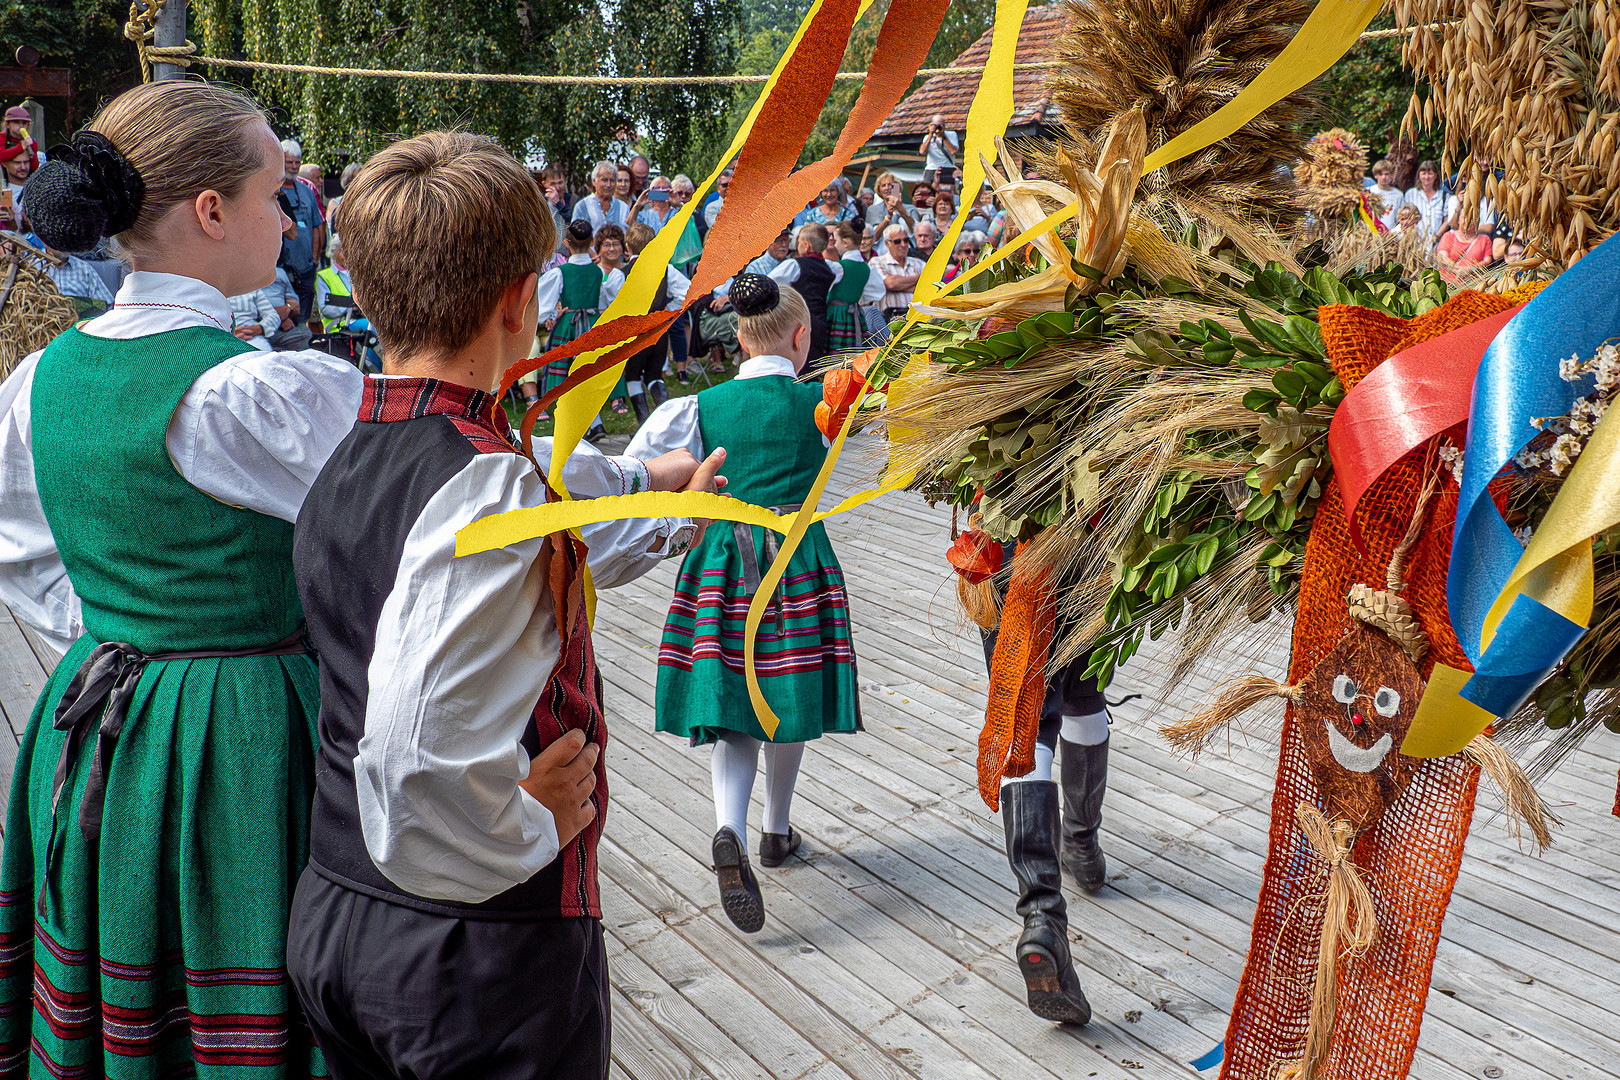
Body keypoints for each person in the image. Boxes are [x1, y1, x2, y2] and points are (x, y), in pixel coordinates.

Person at [286, 129, 722, 1080]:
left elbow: (530, 568)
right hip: (470, 952)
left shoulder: (351, 450)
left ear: (362, 290)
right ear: (523, 302)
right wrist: (528, 820)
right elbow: (413, 759)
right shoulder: (488, 488)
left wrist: (672, 504)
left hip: (337, 909)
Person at [0, 78, 364, 1079]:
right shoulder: (253, 391)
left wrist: (134, 619)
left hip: (100, 715)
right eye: (272, 192)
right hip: (245, 736)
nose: (288, 214)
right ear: (211, 212)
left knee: (131, 978)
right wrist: (653, 496)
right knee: (245, 963)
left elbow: (18, 541)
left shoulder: (43, 376)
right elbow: (445, 507)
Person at [627, 275, 861, 933]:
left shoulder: (698, 409)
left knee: (735, 700)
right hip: (796, 559)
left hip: (722, 560)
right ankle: (776, 831)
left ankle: (730, 825)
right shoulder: (822, 404)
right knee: (789, 691)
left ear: (738, 337)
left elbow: (645, 468)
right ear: (800, 337)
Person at [981, 585, 1105, 1026]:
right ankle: (1082, 845)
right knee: (1086, 694)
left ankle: (1042, 915)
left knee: (1025, 718)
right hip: (1097, 540)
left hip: (1010, 548)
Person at [534, 219, 625, 408]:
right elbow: (607, 299)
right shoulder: (598, 272)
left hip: (568, 323)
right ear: (592, 241)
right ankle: (601, 407)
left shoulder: (561, 272)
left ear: (566, 243)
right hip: (593, 322)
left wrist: (552, 316)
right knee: (594, 364)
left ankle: (574, 408)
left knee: (567, 366)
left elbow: (541, 305)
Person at [621, 222, 692, 421]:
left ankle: (643, 422)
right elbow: (688, 291)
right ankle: (664, 421)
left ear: (628, 247)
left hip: (635, 333)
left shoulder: (623, 273)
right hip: (659, 330)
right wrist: (668, 312)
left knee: (633, 376)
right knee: (655, 375)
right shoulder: (666, 270)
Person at [764, 221, 838, 363]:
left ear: (806, 244)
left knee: (796, 357)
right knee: (814, 360)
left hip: (798, 319)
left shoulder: (794, 265)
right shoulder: (831, 268)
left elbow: (769, 282)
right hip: (821, 320)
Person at [278, 138, 323, 324]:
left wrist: (314, 258)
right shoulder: (274, 190)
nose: (294, 167)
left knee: (305, 315)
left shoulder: (307, 191)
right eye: (289, 162)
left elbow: (317, 225)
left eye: (297, 162)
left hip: (306, 268)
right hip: (281, 269)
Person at [826, 220, 884, 352]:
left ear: (845, 242)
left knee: (834, 353)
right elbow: (878, 291)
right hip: (854, 317)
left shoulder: (839, 267)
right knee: (851, 353)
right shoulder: (866, 269)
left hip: (836, 315)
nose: (834, 245)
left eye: (836, 241)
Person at [873, 223, 926, 321]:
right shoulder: (877, 262)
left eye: (906, 240)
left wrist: (899, 285)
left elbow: (927, 289)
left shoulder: (920, 264)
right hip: (889, 317)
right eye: (897, 241)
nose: (903, 244)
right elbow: (891, 284)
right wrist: (917, 279)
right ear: (887, 243)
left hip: (917, 318)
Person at [571, 160, 631, 232]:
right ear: (594, 181)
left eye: (612, 180)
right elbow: (575, 236)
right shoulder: (582, 206)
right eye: (604, 180)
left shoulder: (623, 207)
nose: (608, 185)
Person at [1433, 213, 1494, 282]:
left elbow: (1487, 261)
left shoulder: (1484, 239)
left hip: (1473, 284)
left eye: (1472, 218)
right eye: (1464, 217)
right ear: (1458, 220)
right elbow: (1442, 257)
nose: (1467, 221)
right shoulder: (1448, 236)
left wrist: (1470, 269)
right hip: (1448, 283)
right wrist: (1459, 269)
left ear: (1478, 221)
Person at [1403, 159, 1446, 245]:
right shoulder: (1410, 194)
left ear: (1436, 176)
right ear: (1419, 175)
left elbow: (1446, 220)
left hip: (1435, 243)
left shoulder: (1443, 196)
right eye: (1423, 173)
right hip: (1415, 242)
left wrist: (1436, 237)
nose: (1427, 177)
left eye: (1430, 173)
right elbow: (1404, 217)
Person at [230, 283, 283, 350]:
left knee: (265, 357)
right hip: (220, 339)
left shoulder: (252, 289)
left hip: (251, 336)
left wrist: (259, 328)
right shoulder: (213, 292)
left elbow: (273, 315)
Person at [865, 170, 914, 239]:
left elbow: (916, 230)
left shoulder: (911, 209)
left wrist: (901, 209)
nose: (887, 188)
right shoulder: (873, 210)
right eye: (883, 185)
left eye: (890, 185)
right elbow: (872, 237)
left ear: (898, 187)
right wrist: (888, 217)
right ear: (879, 190)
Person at [918, 113, 960, 186]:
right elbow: (922, 151)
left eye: (941, 125)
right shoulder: (927, 137)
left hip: (947, 168)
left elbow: (953, 151)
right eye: (936, 125)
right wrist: (931, 134)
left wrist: (943, 137)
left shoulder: (951, 135)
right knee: (930, 191)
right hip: (931, 169)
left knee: (946, 193)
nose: (939, 128)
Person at [1366, 159, 1404, 231]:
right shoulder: (1369, 191)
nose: (1384, 177)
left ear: (1392, 175)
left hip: (1390, 235)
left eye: (1386, 174)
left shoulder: (1398, 195)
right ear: (1375, 176)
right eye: (1380, 174)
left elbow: (1400, 218)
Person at [2, 105, 41, 172]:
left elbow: (34, 168)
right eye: (16, 122)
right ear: (7, 124)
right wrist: (21, 147)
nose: (21, 126)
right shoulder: (2, 137)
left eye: (24, 123)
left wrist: (31, 150)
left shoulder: (31, 142)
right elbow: (1, 156)